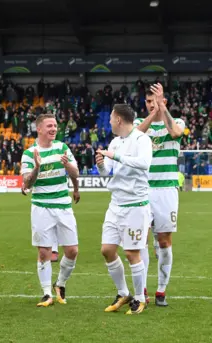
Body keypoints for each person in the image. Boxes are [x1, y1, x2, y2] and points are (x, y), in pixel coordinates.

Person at [97, 104, 152, 315]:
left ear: (119, 119)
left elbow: (144, 163)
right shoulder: (115, 142)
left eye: (111, 118)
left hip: (135, 205)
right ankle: (123, 292)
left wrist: (115, 156)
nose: (109, 121)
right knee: (107, 250)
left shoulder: (141, 139)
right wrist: (102, 164)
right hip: (115, 204)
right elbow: (106, 174)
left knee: (131, 253)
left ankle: (139, 299)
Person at [20, 113, 80, 307]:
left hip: (63, 206)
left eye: (55, 125)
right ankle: (46, 293)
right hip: (41, 207)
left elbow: (75, 173)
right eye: (49, 126)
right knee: (44, 252)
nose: (54, 129)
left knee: (72, 251)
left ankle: (60, 284)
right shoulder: (29, 154)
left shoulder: (62, 148)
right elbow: (27, 183)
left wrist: (67, 164)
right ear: (39, 129)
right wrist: (37, 167)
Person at [134, 83, 185, 307]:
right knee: (141, 241)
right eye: (148, 101)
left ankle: (161, 290)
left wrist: (162, 111)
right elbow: (134, 136)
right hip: (143, 190)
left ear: (163, 101)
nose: (151, 104)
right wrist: (154, 113)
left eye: (156, 100)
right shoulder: (138, 124)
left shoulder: (176, 122)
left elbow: (175, 133)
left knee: (164, 241)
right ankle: (142, 289)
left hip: (166, 190)